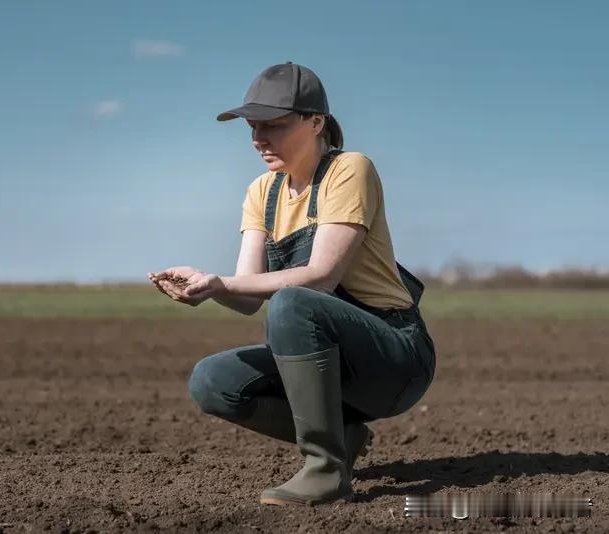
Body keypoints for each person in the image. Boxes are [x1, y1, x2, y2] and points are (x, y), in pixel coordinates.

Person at [146, 62, 436, 506]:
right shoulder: (261, 192)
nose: (258, 138)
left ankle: (325, 470)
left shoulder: (349, 170)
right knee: (213, 381)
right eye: (253, 127)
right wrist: (210, 287)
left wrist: (226, 282)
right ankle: (345, 436)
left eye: (273, 125)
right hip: (334, 363)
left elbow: (321, 276)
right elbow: (247, 294)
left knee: (293, 303)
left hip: (393, 358)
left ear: (316, 122)